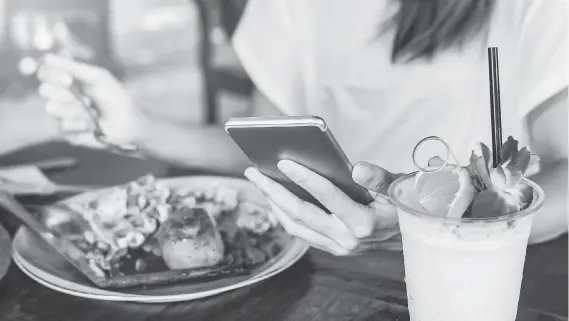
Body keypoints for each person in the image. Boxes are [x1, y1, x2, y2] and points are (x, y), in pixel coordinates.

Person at [37, 0, 567, 255]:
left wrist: (420, 229)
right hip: (315, 264)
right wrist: (140, 127)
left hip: (477, 272)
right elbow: (274, 153)